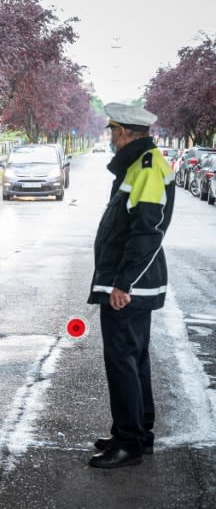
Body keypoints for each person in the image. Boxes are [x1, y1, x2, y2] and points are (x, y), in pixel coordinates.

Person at [87, 103, 175, 469]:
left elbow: (147, 232)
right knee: (134, 361)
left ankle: (129, 444)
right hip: (131, 284)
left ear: (124, 133)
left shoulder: (147, 167)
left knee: (123, 362)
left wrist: (123, 284)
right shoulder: (143, 164)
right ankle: (137, 432)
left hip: (130, 287)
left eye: (112, 132)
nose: (110, 138)